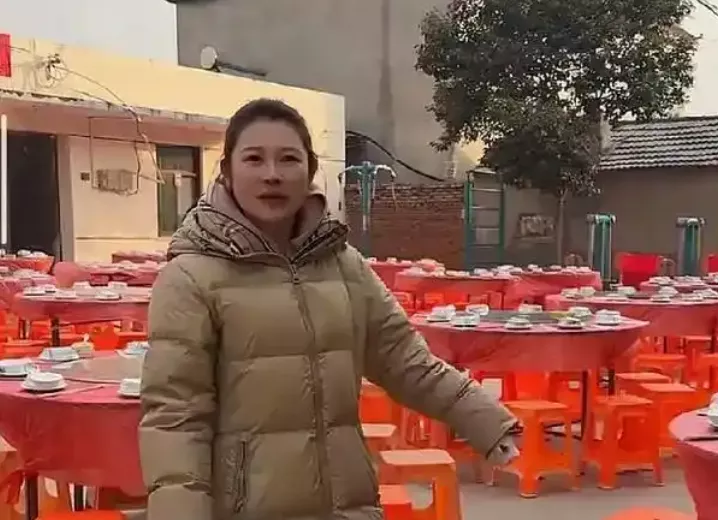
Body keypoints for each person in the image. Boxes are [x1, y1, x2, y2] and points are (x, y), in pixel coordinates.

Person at [139, 98, 519, 520]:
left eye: (288, 159)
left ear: (310, 169)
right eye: (254, 159)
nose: (272, 174)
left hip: (346, 505)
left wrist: (485, 420)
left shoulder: (343, 265)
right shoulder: (190, 277)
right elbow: (175, 417)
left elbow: (404, 359)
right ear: (226, 171)